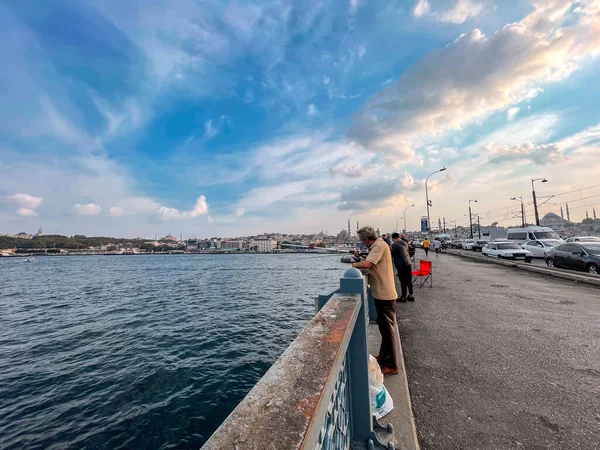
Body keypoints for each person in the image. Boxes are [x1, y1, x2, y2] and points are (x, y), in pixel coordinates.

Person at [352, 226, 399, 375]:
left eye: (362, 240)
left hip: (385, 294)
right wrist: (362, 255)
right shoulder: (379, 244)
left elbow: (368, 264)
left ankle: (391, 365)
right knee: (384, 329)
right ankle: (384, 357)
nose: (362, 243)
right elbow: (371, 258)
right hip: (382, 293)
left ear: (366, 239)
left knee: (387, 331)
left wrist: (353, 265)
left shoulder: (378, 245)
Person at [391, 233, 414, 302]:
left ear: (393, 238)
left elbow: (391, 254)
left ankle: (403, 297)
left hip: (401, 265)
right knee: (409, 280)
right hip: (408, 263)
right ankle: (411, 295)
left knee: (403, 281)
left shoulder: (394, 244)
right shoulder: (404, 242)